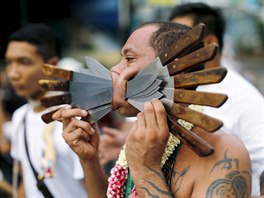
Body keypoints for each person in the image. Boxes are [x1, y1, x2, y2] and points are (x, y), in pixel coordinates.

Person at [53, 21, 252, 197]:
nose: (115, 70)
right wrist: (90, 161)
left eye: (129, 59)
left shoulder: (225, 153)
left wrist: (146, 169)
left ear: (173, 68)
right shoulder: (140, 135)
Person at [169, 2, 264, 196]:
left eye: (180, 40)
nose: (171, 50)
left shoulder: (245, 98)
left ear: (210, 43)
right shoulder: (173, 84)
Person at [4, 23, 87, 197]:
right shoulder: (20, 117)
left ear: (52, 67)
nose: (13, 73)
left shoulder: (74, 118)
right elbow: (28, 182)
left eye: (24, 62)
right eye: (9, 63)